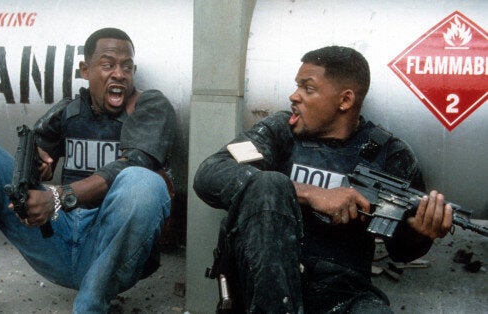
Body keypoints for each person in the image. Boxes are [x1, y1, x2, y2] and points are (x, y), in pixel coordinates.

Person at [0, 27, 177, 313]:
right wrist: (36, 164)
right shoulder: (69, 110)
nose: (119, 74)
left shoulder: (150, 106)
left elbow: (136, 163)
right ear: (85, 69)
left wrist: (58, 196)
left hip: (109, 245)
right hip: (56, 236)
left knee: (143, 182)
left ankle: (91, 305)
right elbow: (38, 150)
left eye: (127, 67)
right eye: (108, 65)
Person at [193, 46, 453, 313]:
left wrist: (420, 233)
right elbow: (211, 172)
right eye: (297, 86)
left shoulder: (388, 154)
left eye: (308, 88)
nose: (294, 96)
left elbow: (400, 251)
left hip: (341, 291)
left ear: (345, 100)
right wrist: (312, 193)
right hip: (262, 285)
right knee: (269, 184)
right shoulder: (280, 131)